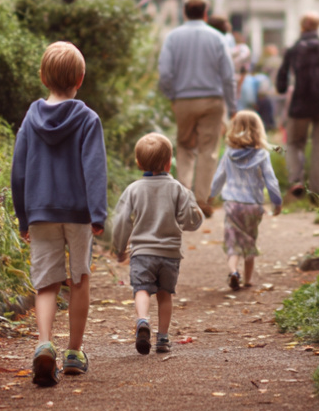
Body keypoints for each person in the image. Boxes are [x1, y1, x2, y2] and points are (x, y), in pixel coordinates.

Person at [11, 41, 108, 387]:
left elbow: (18, 170)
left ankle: (43, 344)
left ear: (42, 77)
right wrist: (98, 214)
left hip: (40, 210)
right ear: (80, 79)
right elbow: (94, 169)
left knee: (46, 282)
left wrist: (23, 215)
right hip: (78, 212)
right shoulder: (87, 119)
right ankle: (73, 353)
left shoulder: (31, 118)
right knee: (79, 278)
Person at [109, 133, 204, 355]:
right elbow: (191, 221)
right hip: (170, 254)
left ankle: (142, 320)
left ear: (138, 163)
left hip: (142, 252)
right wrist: (195, 208)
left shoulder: (133, 189)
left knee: (141, 289)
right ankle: (162, 338)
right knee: (165, 294)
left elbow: (121, 220)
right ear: (169, 162)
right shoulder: (179, 189)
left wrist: (119, 248)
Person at [158, 0, 238, 216]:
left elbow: (164, 73)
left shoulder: (172, 37)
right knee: (208, 150)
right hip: (213, 100)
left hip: (183, 99)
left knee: (185, 147)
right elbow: (228, 76)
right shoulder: (218, 38)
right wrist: (232, 106)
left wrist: (172, 96)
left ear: (184, 13)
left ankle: (183, 199)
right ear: (205, 13)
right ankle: (202, 200)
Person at [275, 13, 319, 199]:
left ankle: (296, 180)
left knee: (293, 143)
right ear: (317, 27)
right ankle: (317, 193)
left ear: (302, 27)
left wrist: (282, 88)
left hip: (300, 104)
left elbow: (282, 77)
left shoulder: (293, 50)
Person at [209, 110, 282, 291]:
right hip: (253, 205)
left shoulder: (228, 153)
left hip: (232, 204)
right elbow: (270, 181)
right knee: (249, 240)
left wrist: (211, 196)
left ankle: (234, 271)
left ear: (234, 129)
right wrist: (277, 202)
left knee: (233, 241)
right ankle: (248, 280)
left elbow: (219, 177)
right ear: (258, 130)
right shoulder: (262, 155)